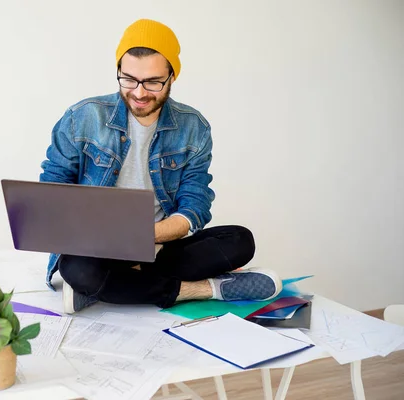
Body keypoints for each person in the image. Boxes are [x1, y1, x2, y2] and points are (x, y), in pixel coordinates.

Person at [39, 19, 282, 314]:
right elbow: (53, 187)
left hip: (159, 245)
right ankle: (206, 289)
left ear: (172, 76)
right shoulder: (82, 117)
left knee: (240, 240)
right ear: (118, 72)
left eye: (153, 82)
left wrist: (143, 236)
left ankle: (112, 287)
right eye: (128, 79)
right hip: (95, 250)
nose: (140, 93)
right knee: (77, 268)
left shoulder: (194, 127)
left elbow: (195, 203)